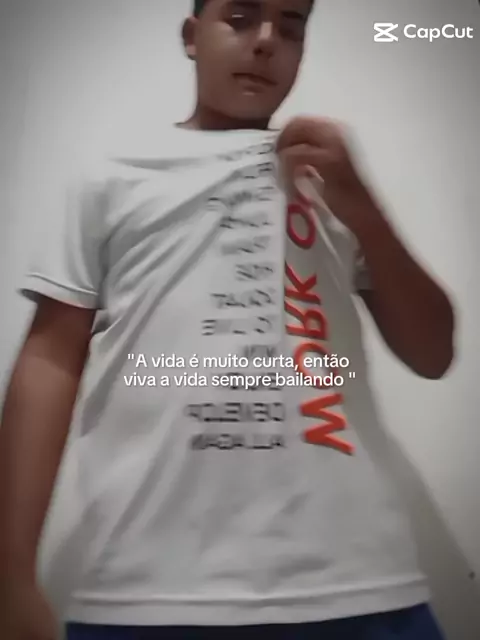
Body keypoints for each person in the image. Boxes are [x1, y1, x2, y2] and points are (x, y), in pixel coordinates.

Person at [0, 0, 455, 638]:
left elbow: (434, 353)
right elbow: (50, 362)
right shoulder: (111, 175)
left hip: (359, 585)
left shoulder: (330, 178)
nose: (267, 41)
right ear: (192, 36)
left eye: (290, 27)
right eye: (240, 17)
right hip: (148, 592)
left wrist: (362, 206)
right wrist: (11, 573)